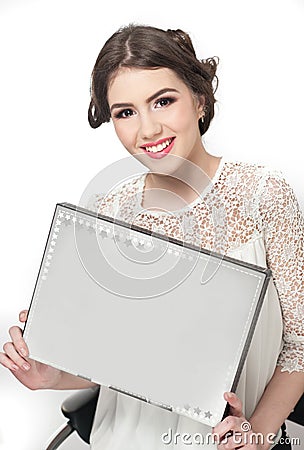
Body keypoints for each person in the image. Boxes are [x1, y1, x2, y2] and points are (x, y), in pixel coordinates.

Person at [1, 24, 303, 450]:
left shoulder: (263, 196)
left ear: (199, 99)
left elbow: (299, 345)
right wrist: (52, 375)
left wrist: (258, 432)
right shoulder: (111, 209)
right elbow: (122, 359)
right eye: (125, 112)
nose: (147, 130)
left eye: (163, 101)